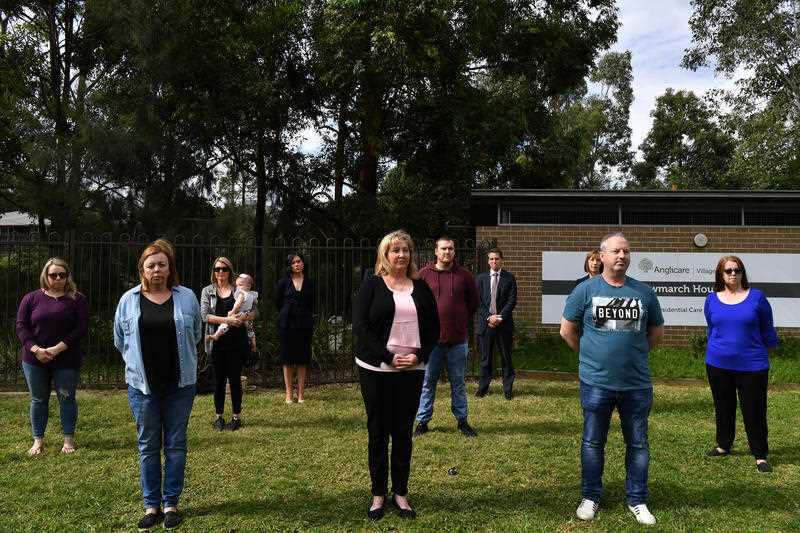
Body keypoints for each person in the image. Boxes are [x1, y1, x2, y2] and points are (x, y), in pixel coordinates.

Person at [560, 232, 664, 526]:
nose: (622, 256)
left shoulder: (644, 293)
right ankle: (590, 497)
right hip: (596, 383)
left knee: (639, 444)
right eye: (616, 251)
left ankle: (638, 499)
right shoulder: (585, 291)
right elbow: (567, 330)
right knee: (593, 442)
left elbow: (655, 335)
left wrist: (632, 354)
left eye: (626, 252)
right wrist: (591, 356)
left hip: (636, 384)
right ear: (602, 256)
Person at [113, 239, 202, 531]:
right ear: (142, 268)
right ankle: (151, 505)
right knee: (148, 446)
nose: (157, 270)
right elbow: (120, 340)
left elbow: (196, 334)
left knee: (176, 445)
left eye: (162, 264)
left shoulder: (187, 297)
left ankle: (171, 504)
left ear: (170, 268)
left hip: (180, 385)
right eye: (151, 265)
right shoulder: (128, 300)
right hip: (143, 388)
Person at [353, 230, 439, 521]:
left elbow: (433, 328)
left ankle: (400, 493)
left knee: (403, 431)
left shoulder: (422, 287)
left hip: (412, 370)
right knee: (378, 431)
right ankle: (379, 493)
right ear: (385, 255)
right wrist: (388, 356)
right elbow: (361, 327)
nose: (401, 255)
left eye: (405, 250)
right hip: (377, 370)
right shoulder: (372, 286)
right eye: (395, 250)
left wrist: (419, 354)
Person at [704, 255, 778, 473]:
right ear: (721, 274)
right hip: (718, 364)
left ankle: (760, 454)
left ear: (743, 273)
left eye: (737, 270)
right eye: (728, 271)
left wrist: (771, 346)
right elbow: (712, 327)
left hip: (752, 366)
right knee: (723, 406)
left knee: (754, 410)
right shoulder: (712, 299)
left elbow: (767, 327)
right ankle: (723, 445)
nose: (733, 274)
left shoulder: (757, 297)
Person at [16, 258, 88, 456]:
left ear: (67, 277)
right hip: (34, 360)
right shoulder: (31, 299)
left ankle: (68, 440)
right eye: (53, 275)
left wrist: (57, 349)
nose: (58, 278)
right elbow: (21, 326)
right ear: (45, 276)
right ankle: (38, 441)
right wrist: (35, 349)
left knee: (67, 398)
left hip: (66, 359)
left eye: (62, 275)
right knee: (38, 399)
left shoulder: (77, 299)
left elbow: (80, 329)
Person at [413, 236, 479, 438]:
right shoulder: (423, 275)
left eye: (450, 248)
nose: (447, 252)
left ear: (454, 251)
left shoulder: (465, 276)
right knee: (427, 383)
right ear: (436, 251)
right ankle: (422, 422)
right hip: (431, 342)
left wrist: (459, 319)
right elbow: (415, 302)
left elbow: (474, 303)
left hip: (458, 341)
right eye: (443, 249)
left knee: (458, 383)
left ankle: (462, 421)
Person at [200, 257, 257, 431]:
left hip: (236, 342)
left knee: (234, 380)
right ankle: (218, 416)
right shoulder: (207, 291)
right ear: (213, 271)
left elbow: (255, 311)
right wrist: (228, 320)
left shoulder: (238, 289)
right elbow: (205, 316)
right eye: (217, 269)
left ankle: (236, 416)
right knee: (218, 381)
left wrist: (244, 317)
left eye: (224, 269)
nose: (221, 272)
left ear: (230, 271)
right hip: (217, 343)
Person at [475, 249, 517, 399]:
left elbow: (512, 301)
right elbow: (478, 302)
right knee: (485, 358)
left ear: (502, 260)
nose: (494, 261)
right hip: (486, 325)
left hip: (503, 325)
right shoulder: (480, 279)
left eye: (497, 259)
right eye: (491, 259)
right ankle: (483, 388)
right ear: (488, 261)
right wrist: (489, 317)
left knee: (506, 357)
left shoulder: (510, 278)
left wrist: (499, 318)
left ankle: (508, 389)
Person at [275, 253, 315, 404]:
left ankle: (301, 394)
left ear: (303, 263)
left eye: (299, 261)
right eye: (293, 262)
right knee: (287, 358)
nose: (297, 264)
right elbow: (278, 302)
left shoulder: (310, 282)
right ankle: (288, 394)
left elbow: (312, 303)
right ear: (289, 266)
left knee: (302, 358)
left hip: (304, 324)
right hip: (286, 323)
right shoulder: (283, 282)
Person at [207, 273, 258, 354]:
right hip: (247, 314)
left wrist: (232, 312)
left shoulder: (242, 293)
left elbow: (237, 304)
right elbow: (254, 304)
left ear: (248, 286)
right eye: (237, 285)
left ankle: (216, 335)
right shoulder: (253, 294)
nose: (238, 287)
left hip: (240, 313)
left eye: (240, 285)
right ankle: (254, 345)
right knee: (251, 331)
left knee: (227, 323)